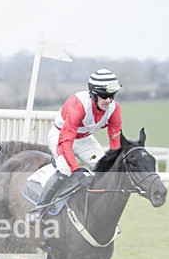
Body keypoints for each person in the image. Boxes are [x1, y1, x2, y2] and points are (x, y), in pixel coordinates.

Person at [26, 68, 123, 221]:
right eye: (104, 96)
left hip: (85, 139)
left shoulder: (114, 109)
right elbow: (65, 142)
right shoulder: (79, 106)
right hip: (61, 136)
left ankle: (102, 216)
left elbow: (115, 144)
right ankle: (39, 209)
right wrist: (77, 170)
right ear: (92, 94)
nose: (108, 100)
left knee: (105, 169)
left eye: (112, 95)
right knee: (65, 169)